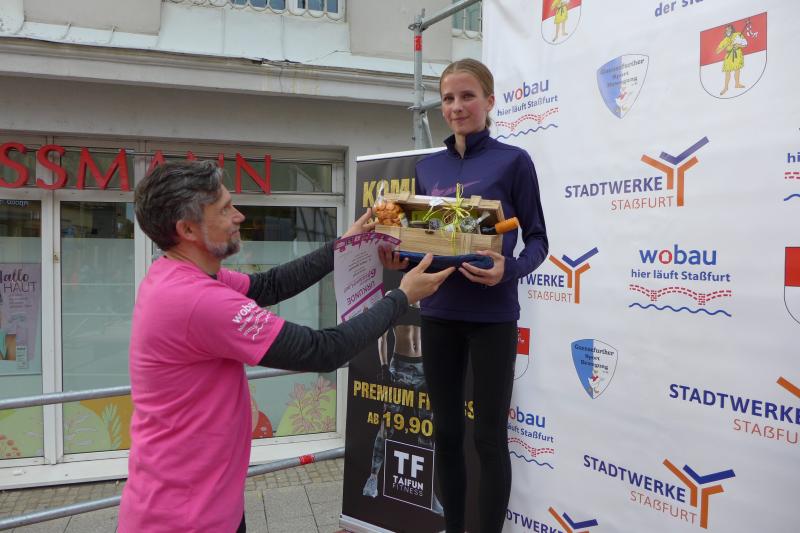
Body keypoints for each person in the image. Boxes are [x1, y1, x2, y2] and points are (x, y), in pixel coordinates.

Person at [117, 160, 454, 533]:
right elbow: (322, 350)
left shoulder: (181, 276)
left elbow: (270, 285)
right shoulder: (196, 300)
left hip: (207, 505)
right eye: (225, 209)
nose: (239, 216)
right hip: (182, 520)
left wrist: (341, 248)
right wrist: (401, 298)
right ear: (187, 229)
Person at [413, 59, 548, 533]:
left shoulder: (514, 161)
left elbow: (538, 240)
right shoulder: (426, 167)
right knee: (447, 435)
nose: (457, 106)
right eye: (448, 98)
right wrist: (400, 258)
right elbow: (421, 244)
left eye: (467, 96)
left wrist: (510, 269)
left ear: (489, 101)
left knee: (489, 439)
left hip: (493, 317)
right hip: (438, 314)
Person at [361, 306, 443, 515]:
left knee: (426, 431)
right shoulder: (397, 296)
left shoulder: (429, 299)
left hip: (424, 368)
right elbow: (382, 335)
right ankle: (373, 478)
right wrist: (383, 366)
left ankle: (428, 491)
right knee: (387, 424)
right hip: (400, 367)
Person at [716, 23, 747, 96]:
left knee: (737, 69)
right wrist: (725, 46)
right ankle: (726, 87)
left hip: (737, 54)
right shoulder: (725, 40)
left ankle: (737, 84)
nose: (728, 31)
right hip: (728, 56)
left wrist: (738, 45)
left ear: (732, 29)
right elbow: (717, 51)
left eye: (729, 29)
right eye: (726, 30)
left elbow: (745, 44)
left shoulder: (738, 35)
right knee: (727, 72)